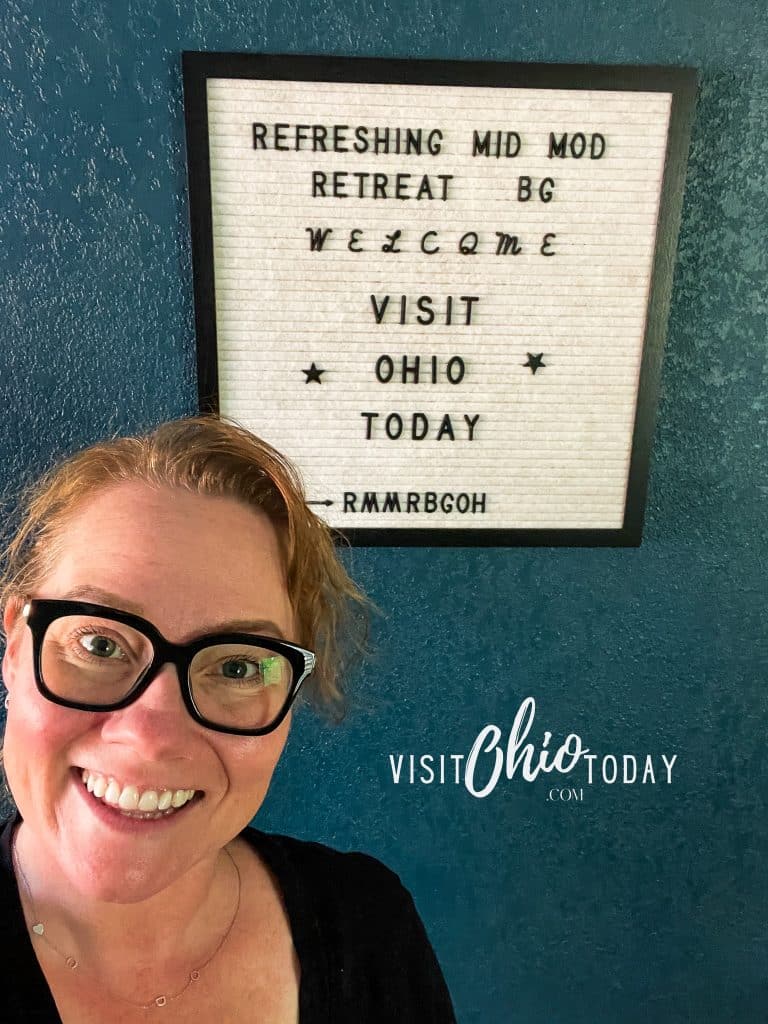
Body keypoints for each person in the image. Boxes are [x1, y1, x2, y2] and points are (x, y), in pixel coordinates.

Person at [0, 416, 456, 1023]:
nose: (149, 738)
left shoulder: (367, 924)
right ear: (14, 649)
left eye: (238, 668)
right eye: (100, 645)